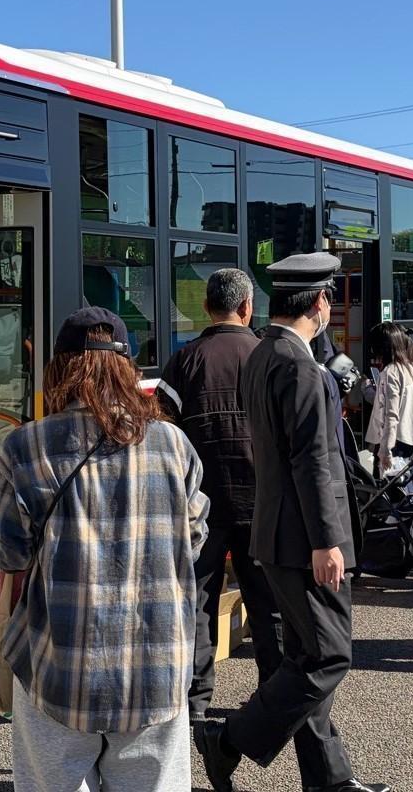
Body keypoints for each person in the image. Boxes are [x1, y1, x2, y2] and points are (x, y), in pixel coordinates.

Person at [0, 307, 208, 792]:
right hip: (157, 667)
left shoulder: (24, 448)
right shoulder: (173, 445)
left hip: (58, 666)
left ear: (59, 368)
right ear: (129, 369)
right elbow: (193, 538)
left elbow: (9, 555)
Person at [196, 252, 389, 792]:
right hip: (307, 539)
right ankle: (228, 738)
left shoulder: (264, 355)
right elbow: (312, 460)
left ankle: (327, 779)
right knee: (328, 656)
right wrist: (328, 540)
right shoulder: (298, 364)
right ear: (322, 302)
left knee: (306, 658)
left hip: (277, 533)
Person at [155, 268, 283, 728]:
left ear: (206, 308)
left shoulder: (184, 361)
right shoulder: (270, 357)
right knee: (268, 604)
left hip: (199, 505)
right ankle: (273, 697)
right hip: (263, 504)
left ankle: (193, 702)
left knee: (196, 603)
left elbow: (163, 433)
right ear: (247, 307)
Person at [362, 321, 413, 476]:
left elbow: (391, 415)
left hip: (395, 444)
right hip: (412, 439)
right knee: (408, 492)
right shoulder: (409, 368)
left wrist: (385, 449)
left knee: (389, 495)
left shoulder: (390, 373)